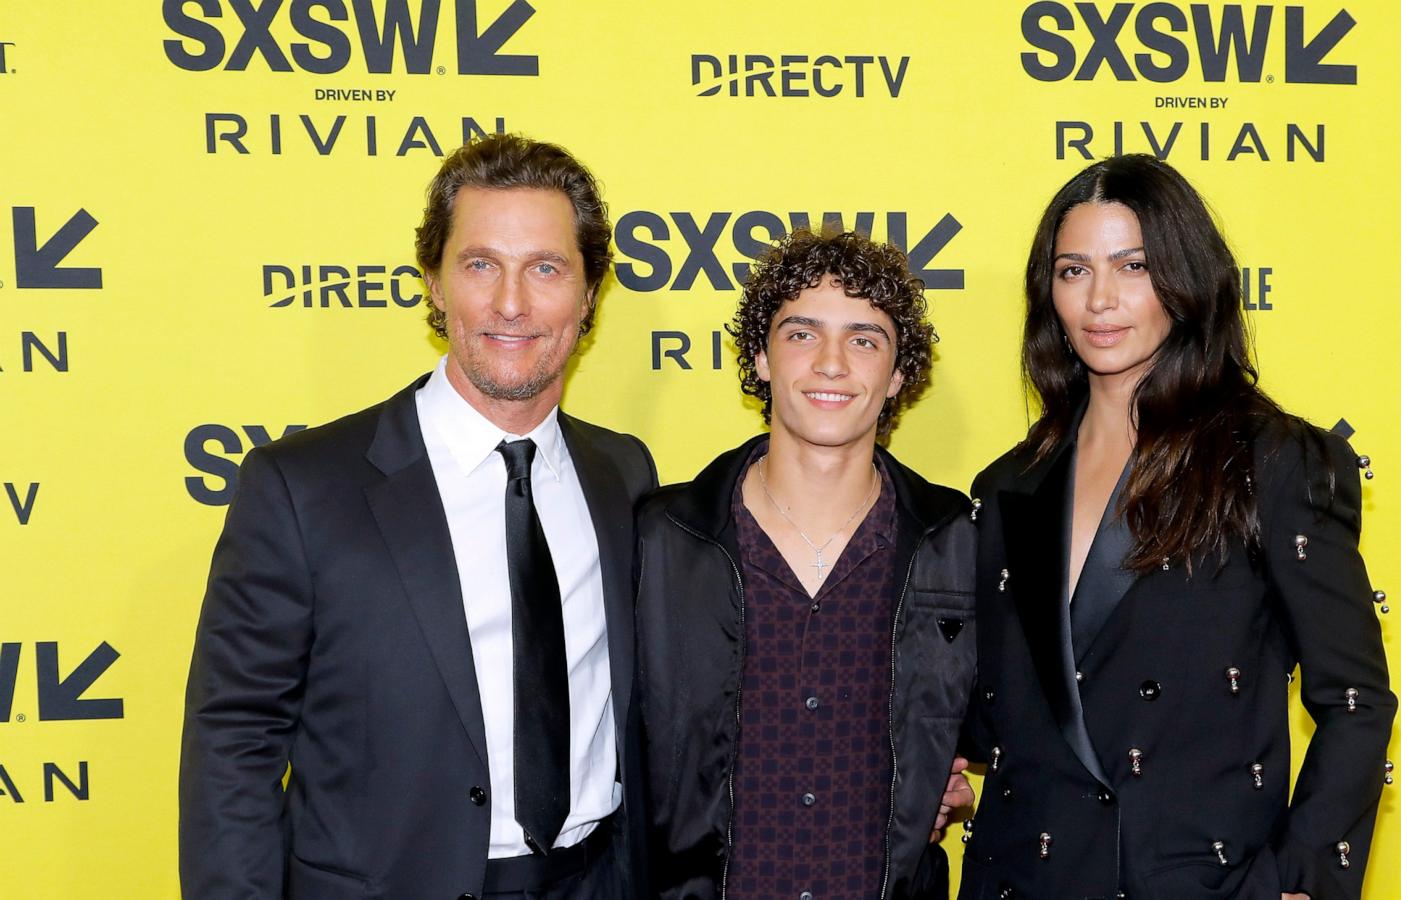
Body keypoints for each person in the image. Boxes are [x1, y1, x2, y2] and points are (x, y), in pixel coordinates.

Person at [179, 134, 655, 900]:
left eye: (545, 268)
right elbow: (233, 741)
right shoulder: (301, 489)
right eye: (479, 265)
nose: (511, 303)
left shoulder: (623, 474)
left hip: (595, 881)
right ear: (433, 283)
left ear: (590, 293)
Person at [958, 154, 1396, 900]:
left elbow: (1355, 701)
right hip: (1020, 875)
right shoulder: (1008, 486)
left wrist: (1297, 880)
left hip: (1200, 880)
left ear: (1186, 279)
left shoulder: (1273, 462)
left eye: (1133, 266)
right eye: (1073, 271)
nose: (1100, 299)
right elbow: (1006, 707)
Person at [634, 228, 977, 900]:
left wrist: (937, 776)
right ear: (761, 358)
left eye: (864, 339)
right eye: (801, 333)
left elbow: (1003, 721)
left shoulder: (956, 540)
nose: (831, 363)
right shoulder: (662, 539)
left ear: (899, 372)